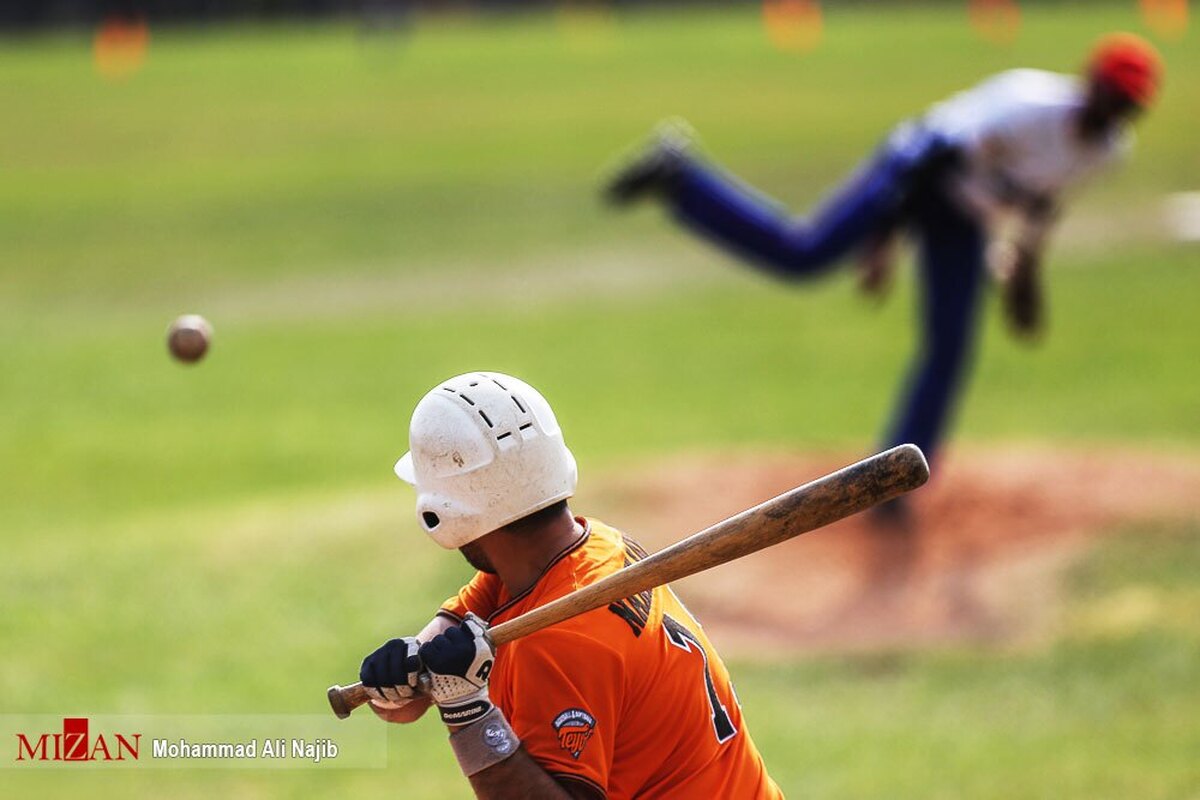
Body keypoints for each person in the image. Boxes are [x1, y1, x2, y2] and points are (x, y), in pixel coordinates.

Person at [603, 33, 1162, 513]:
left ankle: (894, 482)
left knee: (949, 349)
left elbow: (1040, 207)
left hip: (964, 217)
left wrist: (1023, 277)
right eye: (1111, 97)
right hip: (912, 175)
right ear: (1090, 83)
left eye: (1127, 106)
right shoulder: (1028, 103)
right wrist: (883, 242)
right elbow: (931, 160)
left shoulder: (1107, 151)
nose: (1114, 113)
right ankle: (682, 178)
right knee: (804, 254)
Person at [358, 371, 783, 800]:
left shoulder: (556, 642)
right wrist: (405, 676)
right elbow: (431, 667)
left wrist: (467, 712)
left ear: (444, 511)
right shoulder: (589, 546)